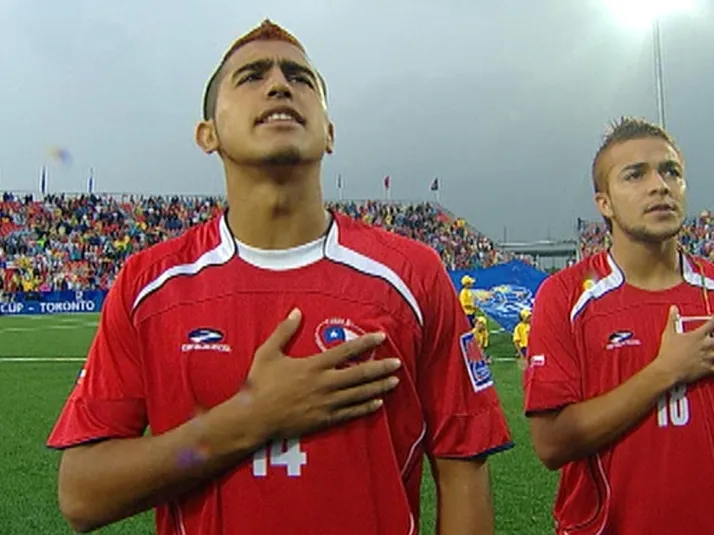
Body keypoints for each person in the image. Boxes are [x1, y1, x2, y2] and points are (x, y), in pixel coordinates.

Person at [47, 20, 512, 535]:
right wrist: (250, 419)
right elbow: (82, 495)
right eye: (251, 76)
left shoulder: (412, 275)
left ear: (329, 132)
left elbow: (462, 467)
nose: (279, 85)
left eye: (299, 77)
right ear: (208, 134)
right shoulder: (149, 285)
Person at [524, 117, 714, 534]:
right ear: (604, 203)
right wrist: (665, 371)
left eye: (671, 172)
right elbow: (551, 443)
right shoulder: (565, 295)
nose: (660, 185)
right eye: (635, 174)